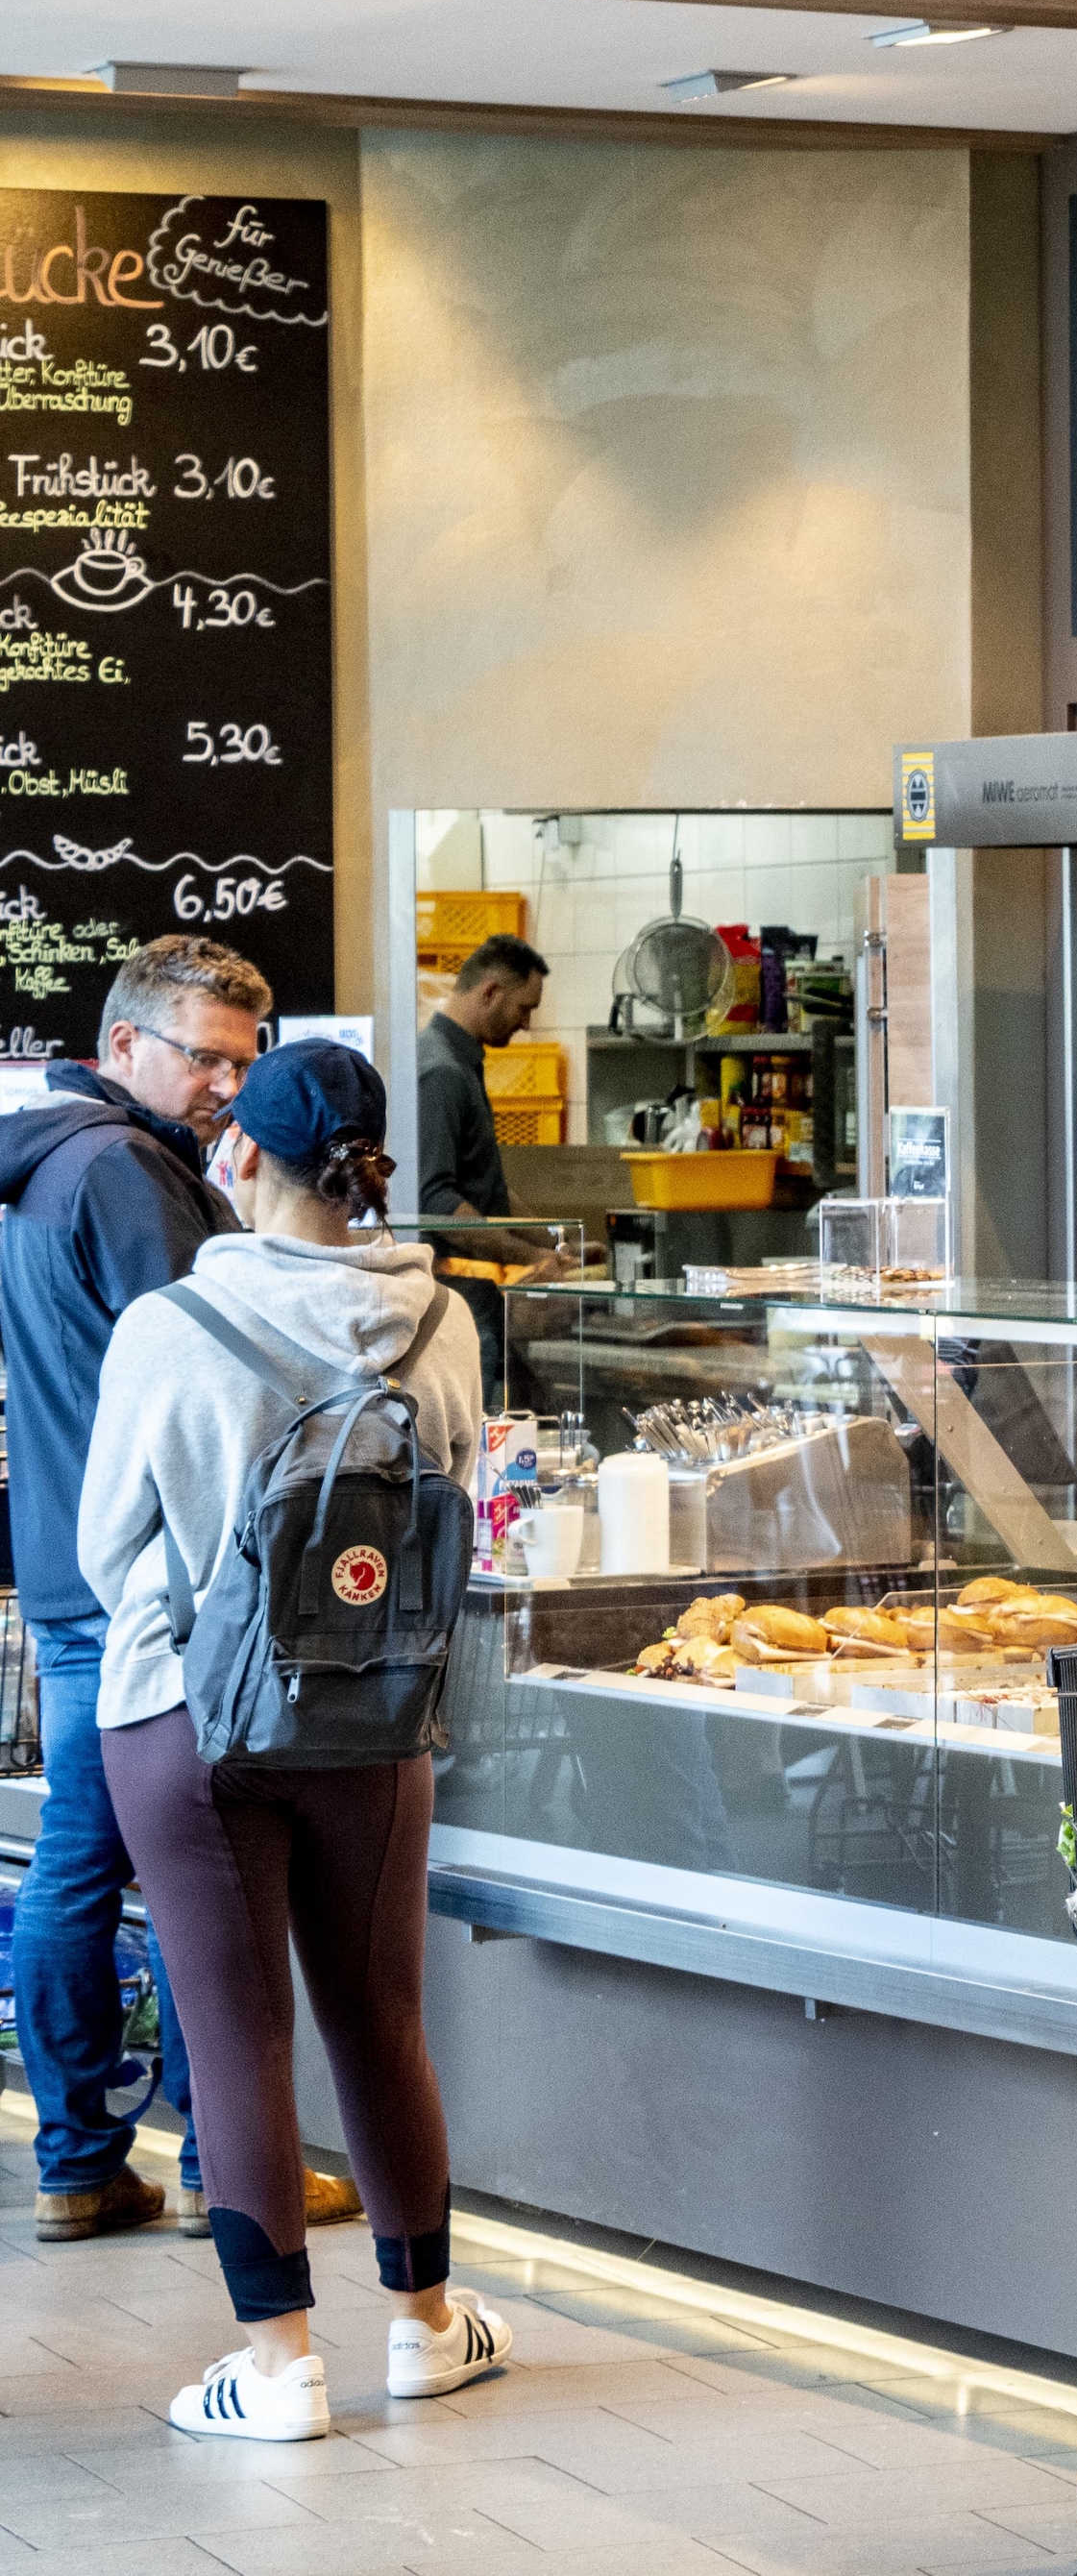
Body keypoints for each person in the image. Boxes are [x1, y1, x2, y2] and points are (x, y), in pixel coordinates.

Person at [79, 1039, 507, 2440]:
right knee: (382, 2016)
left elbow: (104, 1546)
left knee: (238, 2026)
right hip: (376, 1715)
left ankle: (276, 2367)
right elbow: (458, 1493)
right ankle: (428, 2327)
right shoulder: (446, 1318)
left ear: (240, 1151)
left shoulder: (171, 1328)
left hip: (187, 1713)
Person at [0, 934, 273, 2245]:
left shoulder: (54, 1156)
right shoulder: (127, 1172)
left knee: (89, 1851)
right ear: (121, 1046)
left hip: (68, 1564)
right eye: (201, 1053)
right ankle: (215, 2163)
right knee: (176, 1864)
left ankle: (86, 2159)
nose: (226, 1080)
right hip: (146, 1578)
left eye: (242, 1057)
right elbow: (203, 1386)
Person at [413, 934, 547, 1222]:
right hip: (447, 1266)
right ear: (489, 994)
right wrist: (530, 1257)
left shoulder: (462, 1063)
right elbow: (436, 1201)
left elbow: (486, 1190)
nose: (526, 1024)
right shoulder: (441, 1072)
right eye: (523, 1009)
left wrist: (555, 1243)